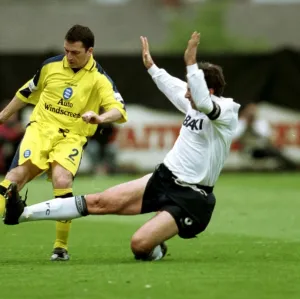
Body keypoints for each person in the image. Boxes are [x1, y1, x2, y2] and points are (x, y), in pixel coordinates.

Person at [4, 31, 240, 261]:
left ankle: (158, 241)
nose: (186, 93)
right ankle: (22, 214)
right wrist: (152, 68)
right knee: (97, 202)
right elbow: (172, 86)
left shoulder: (226, 111)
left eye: (191, 88)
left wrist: (191, 64)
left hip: (192, 196)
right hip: (163, 178)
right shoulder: (192, 103)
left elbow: (204, 103)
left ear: (208, 91)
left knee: (139, 245)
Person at [0, 25, 127, 261]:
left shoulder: (100, 78)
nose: (69, 57)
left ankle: (60, 248)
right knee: (15, 178)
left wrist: (99, 117)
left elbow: (119, 110)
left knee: (62, 179)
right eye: (66, 50)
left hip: (71, 136)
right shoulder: (51, 65)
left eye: (75, 52)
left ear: (90, 51)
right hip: (40, 129)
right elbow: (26, 92)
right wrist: (3, 117)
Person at [234, 102, 298, 170]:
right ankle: (292, 166)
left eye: (253, 110)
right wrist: (245, 123)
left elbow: (267, 136)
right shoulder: (240, 123)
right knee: (272, 152)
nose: (251, 113)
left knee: (276, 151)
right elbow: (235, 136)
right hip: (247, 149)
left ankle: (292, 166)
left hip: (262, 148)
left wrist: (254, 125)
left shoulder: (260, 123)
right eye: (250, 110)